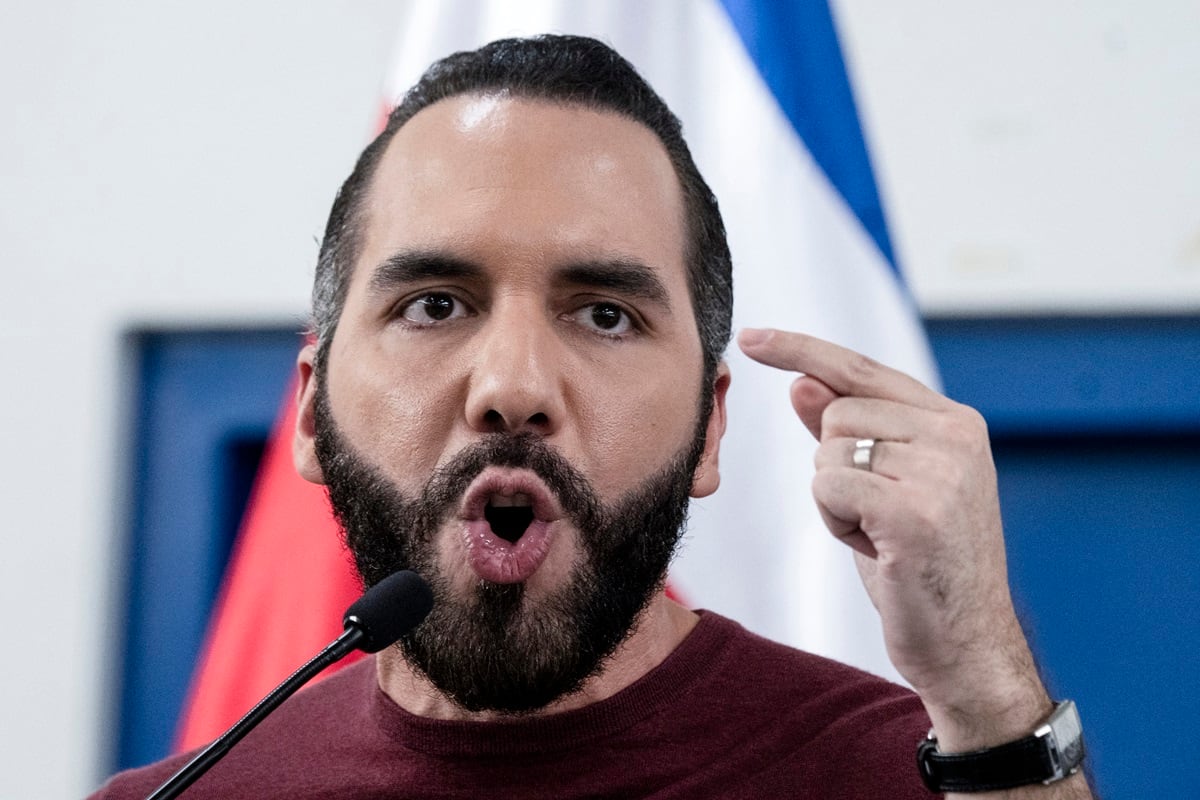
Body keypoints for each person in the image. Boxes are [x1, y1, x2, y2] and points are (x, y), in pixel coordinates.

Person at [91, 35, 1093, 799]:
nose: (514, 386)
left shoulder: (920, 776)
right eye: (436, 304)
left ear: (709, 430)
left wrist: (986, 685)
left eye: (604, 314)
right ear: (309, 413)